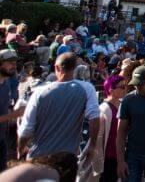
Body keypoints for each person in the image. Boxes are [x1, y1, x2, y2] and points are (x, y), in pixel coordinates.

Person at [17, 53, 100, 181]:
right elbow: (94, 117)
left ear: (56, 67)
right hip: (66, 159)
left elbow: (26, 129)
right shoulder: (87, 88)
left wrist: (20, 149)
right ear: (75, 68)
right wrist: (92, 145)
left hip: (39, 157)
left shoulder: (39, 92)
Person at [93, 75, 128, 182]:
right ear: (111, 90)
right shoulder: (104, 109)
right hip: (109, 156)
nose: (125, 89)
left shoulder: (124, 105)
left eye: (125, 86)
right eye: (122, 87)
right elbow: (98, 138)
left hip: (123, 153)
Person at [0, 50, 23, 171]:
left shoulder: (7, 82)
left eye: (15, 63)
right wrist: (15, 114)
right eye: (10, 63)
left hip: (2, 137)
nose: (14, 66)